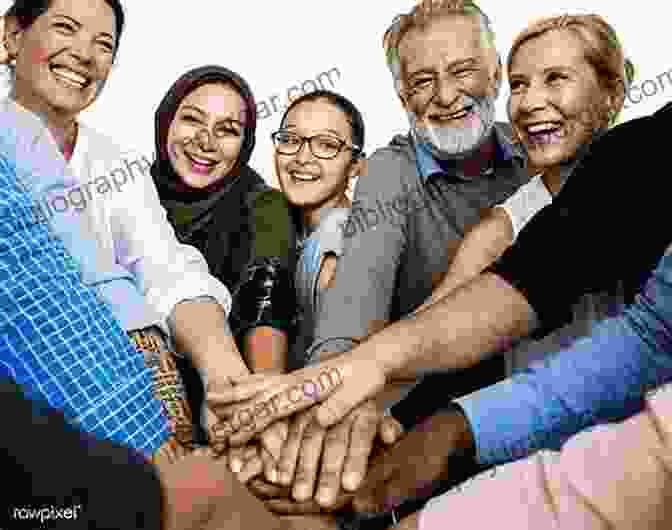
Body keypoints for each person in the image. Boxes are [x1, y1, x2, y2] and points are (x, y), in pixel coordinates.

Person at [207, 13, 672, 508]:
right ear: (403, 97)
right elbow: (423, 318)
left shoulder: (582, 154)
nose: (446, 95)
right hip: (519, 420)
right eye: (423, 80)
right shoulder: (479, 211)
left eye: (556, 78)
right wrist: (324, 413)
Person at [1, 0, 246, 457]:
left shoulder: (118, 166)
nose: (85, 54)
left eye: (104, 44)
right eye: (66, 28)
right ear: (12, 35)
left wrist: (225, 379)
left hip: (123, 401)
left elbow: (165, 268)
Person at [151, 65, 296, 376]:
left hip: (227, 388)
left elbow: (266, 302)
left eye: (227, 129)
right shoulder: (131, 193)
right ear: (166, 122)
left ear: (245, 142)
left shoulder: (264, 206)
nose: (206, 142)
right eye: (192, 120)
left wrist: (262, 398)